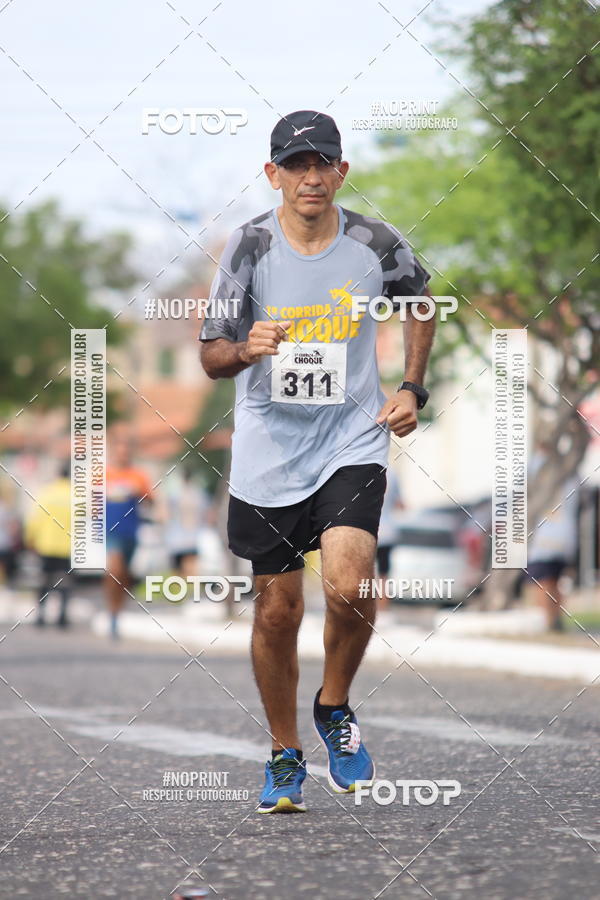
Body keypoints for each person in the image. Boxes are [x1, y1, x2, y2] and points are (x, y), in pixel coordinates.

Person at [199, 110, 435, 813]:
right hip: (270, 448)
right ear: (272, 174)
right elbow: (211, 354)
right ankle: (283, 751)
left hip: (350, 439)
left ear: (341, 171)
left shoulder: (374, 242)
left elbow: (420, 306)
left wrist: (412, 387)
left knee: (351, 580)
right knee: (277, 609)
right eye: (295, 165)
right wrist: (247, 347)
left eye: (322, 163)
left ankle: (334, 706)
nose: (311, 176)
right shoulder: (247, 248)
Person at [526, 448, 579, 631]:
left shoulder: (537, 468)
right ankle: (555, 618)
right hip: (563, 538)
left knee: (543, 581)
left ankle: (548, 621)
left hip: (543, 539)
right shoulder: (568, 470)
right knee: (553, 581)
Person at [105, 437, 153, 639]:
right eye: (119, 450)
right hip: (110, 530)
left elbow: (150, 501)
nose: (122, 454)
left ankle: (118, 611)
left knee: (124, 575)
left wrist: (139, 493)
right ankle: (111, 613)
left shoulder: (139, 476)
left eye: (126, 450)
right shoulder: (104, 475)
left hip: (131, 532)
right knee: (114, 570)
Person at [25, 464, 72, 628]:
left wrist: (30, 538)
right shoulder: (77, 496)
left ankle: (41, 615)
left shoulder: (47, 493)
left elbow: (35, 518)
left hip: (46, 544)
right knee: (65, 581)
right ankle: (62, 615)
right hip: (68, 546)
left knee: (44, 580)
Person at [161, 468, 209, 578]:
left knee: (186, 570)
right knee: (185, 570)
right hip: (184, 536)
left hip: (186, 537)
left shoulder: (183, 493)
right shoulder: (196, 493)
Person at [375, 466, 404, 616]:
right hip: (387, 532)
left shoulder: (361, 469)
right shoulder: (392, 474)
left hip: (367, 530)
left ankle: (364, 607)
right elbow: (401, 504)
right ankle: (382, 608)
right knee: (384, 574)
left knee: (364, 571)